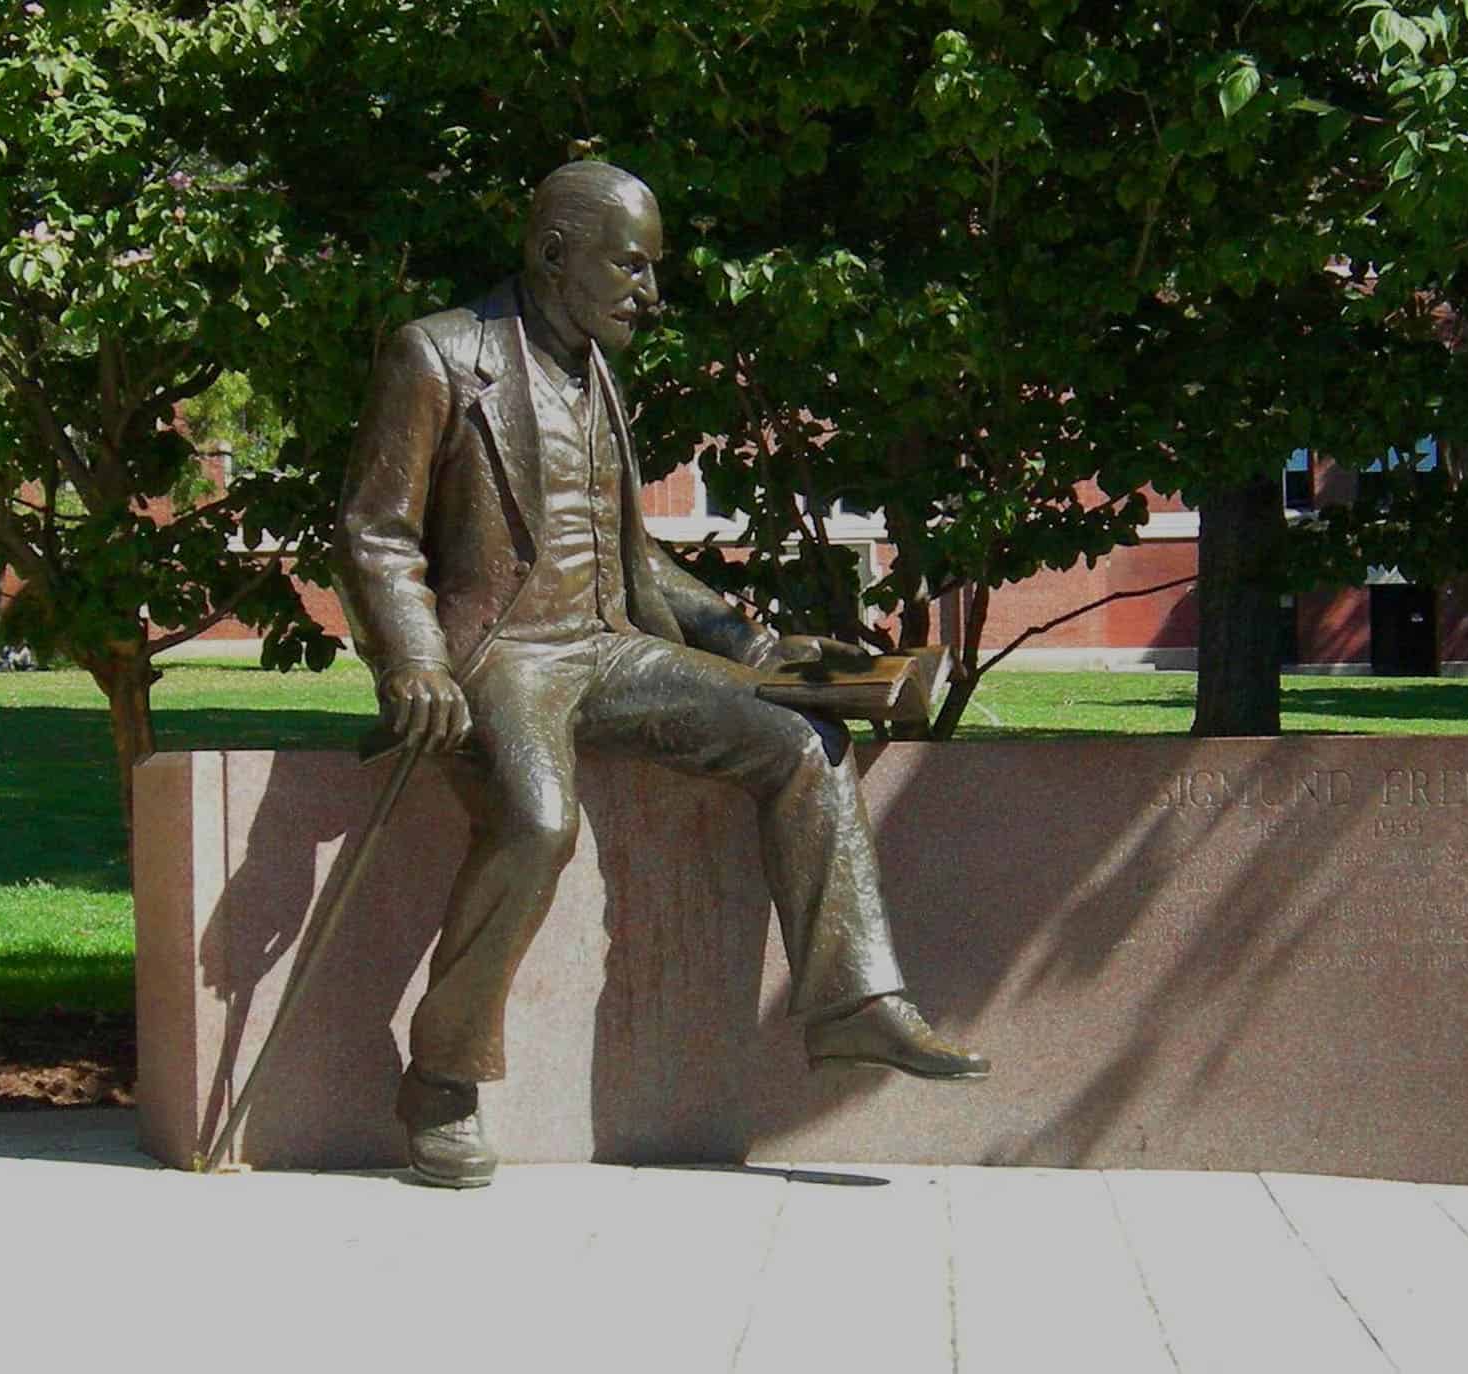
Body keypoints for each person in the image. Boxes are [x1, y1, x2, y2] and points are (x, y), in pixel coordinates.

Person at [335, 161, 987, 1189]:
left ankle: (855, 1004)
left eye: (653, 269)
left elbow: (632, 560)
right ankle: (443, 1080)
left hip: (610, 646)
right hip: (505, 654)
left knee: (800, 738)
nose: (651, 292)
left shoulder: (596, 373)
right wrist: (413, 662)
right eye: (631, 267)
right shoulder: (440, 354)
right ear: (555, 255)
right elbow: (375, 533)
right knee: (537, 822)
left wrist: (754, 647)